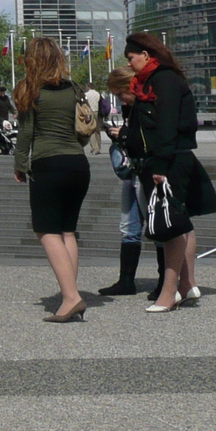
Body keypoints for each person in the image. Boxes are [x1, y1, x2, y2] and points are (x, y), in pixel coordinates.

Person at [122, 32, 216, 312]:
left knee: (170, 230)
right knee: (180, 222)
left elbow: (167, 126)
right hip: (168, 159)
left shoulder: (163, 80)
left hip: (168, 161)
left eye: (131, 58)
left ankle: (170, 291)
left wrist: (160, 166)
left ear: (145, 55)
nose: (130, 64)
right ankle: (186, 285)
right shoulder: (155, 80)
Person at [12, 38, 91, 322]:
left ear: (31, 60)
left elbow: (26, 133)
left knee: (46, 230)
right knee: (68, 230)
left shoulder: (29, 90)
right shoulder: (74, 89)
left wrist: (20, 164)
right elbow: (83, 130)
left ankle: (71, 297)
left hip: (48, 164)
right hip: (78, 165)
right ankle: (71, 292)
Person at [97, 65, 148, 296]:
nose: (121, 100)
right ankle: (125, 280)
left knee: (156, 226)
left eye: (121, 94)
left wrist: (124, 134)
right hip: (132, 171)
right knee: (129, 227)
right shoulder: (131, 109)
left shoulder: (147, 106)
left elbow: (152, 138)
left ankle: (164, 283)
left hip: (145, 170)